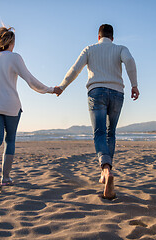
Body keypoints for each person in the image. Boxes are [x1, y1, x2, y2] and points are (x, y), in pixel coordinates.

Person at [55, 24, 139, 199]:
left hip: (96, 92)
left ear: (98, 37)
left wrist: (62, 86)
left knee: (99, 133)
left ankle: (106, 171)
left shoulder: (90, 49)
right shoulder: (120, 48)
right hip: (117, 93)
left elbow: (75, 69)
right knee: (111, 133)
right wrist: (134, 85)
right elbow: (130, 61)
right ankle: (105, 172)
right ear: (112, 38)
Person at [0, 26, 60, 188]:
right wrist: (50, 90)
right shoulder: (15, 58)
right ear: (10, 42)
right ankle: (5, 178)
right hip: (11, 105)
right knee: (10, 140)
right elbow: (31, 81)